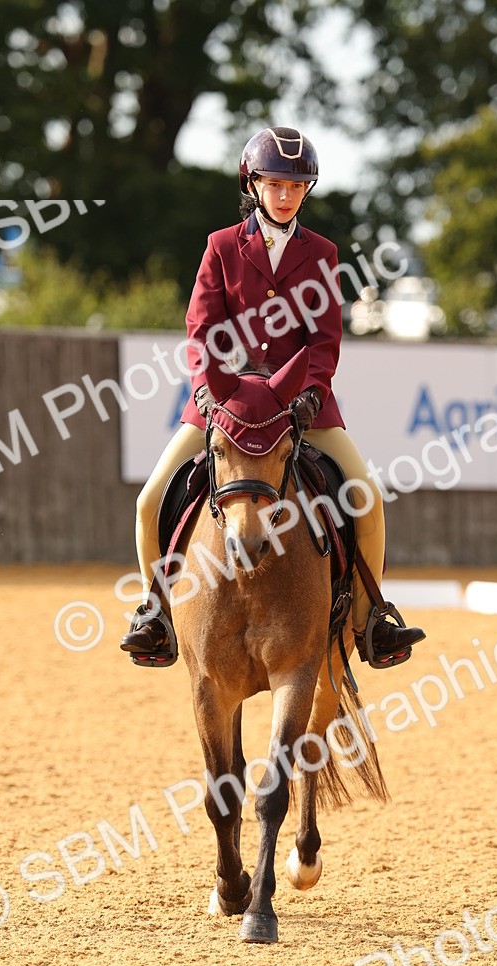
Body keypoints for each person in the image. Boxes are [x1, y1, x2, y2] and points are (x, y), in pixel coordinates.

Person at [120, 126, 425, 668]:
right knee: (148, 501)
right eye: (276, 184)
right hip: (226, 400)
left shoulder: (323, 253)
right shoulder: (220, 246)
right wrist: (209, 393)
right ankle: (157, 614)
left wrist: (309, 393)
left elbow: (325, 339)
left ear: (306, 191)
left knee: (368, 497)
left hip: (300, 402)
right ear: (253, 184)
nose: (286, 196)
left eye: (296, 186)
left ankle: (371, 620)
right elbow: (200, 332)